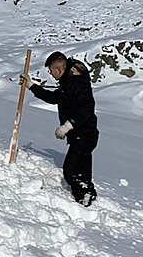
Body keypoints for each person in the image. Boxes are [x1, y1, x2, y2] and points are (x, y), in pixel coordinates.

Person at [21, 51, 99, 206]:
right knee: (82, 171)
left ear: (58, 70)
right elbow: (54, 98)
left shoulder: (76, 83)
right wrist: (31, 86)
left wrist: (67, 126)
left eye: (50, 71)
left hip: (84, 134)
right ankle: (88, 196)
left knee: (71, 172)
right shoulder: (68, 83)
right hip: (80, 134)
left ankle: (83, 201)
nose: (50, 74)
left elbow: (87, 107)